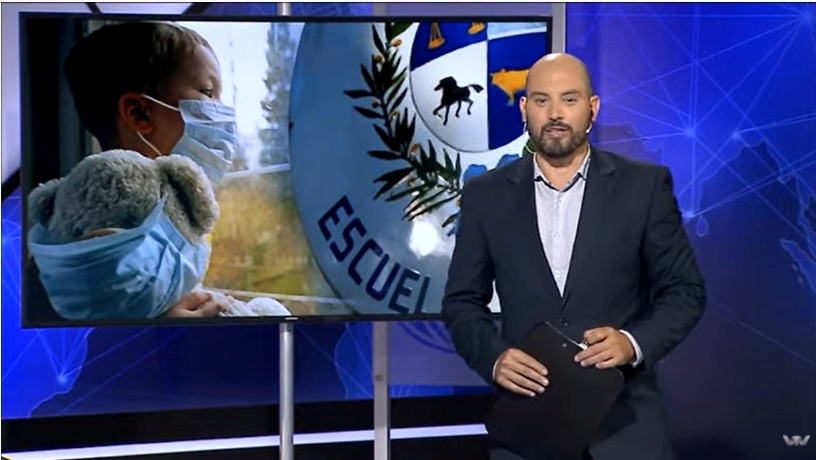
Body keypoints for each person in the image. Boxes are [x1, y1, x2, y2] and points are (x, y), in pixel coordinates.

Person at [441, 53, 706, 460]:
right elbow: (461, 301)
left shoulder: (644, 186)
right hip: (529, 430)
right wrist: (493, 358)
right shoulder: (486, 195)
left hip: (627, 430)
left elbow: (685, 290)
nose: (555, 114)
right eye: (541, 100)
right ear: (523, 108)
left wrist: (632, 343)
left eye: (569, 99)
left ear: (592, 108)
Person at [58, 21, 238, 318]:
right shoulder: (104, 235)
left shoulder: (172, 215)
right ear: (139, 113)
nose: (224, 112)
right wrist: (153, 332)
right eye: (207, 92)